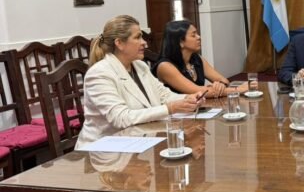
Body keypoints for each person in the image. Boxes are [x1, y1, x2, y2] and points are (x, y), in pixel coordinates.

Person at [76, 15, 203, 149]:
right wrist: (170, 108)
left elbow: (163, 95)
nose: (144, 43)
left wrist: (188, 98)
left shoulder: (140, 66)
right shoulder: (99, 73)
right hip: (103, 149)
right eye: (137, 37)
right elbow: (121, 118)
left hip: (138, 141)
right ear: (119, 43)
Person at [153, 20, 248, 97]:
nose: (199, 37)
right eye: (193, 35)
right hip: (176, 112)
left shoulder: (196, 58)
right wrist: (238, 90)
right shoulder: (165, 66)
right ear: (180, 42)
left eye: (197, 34)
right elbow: (198, 91)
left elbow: (223, 80)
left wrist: (220, 85)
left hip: (197, 107)